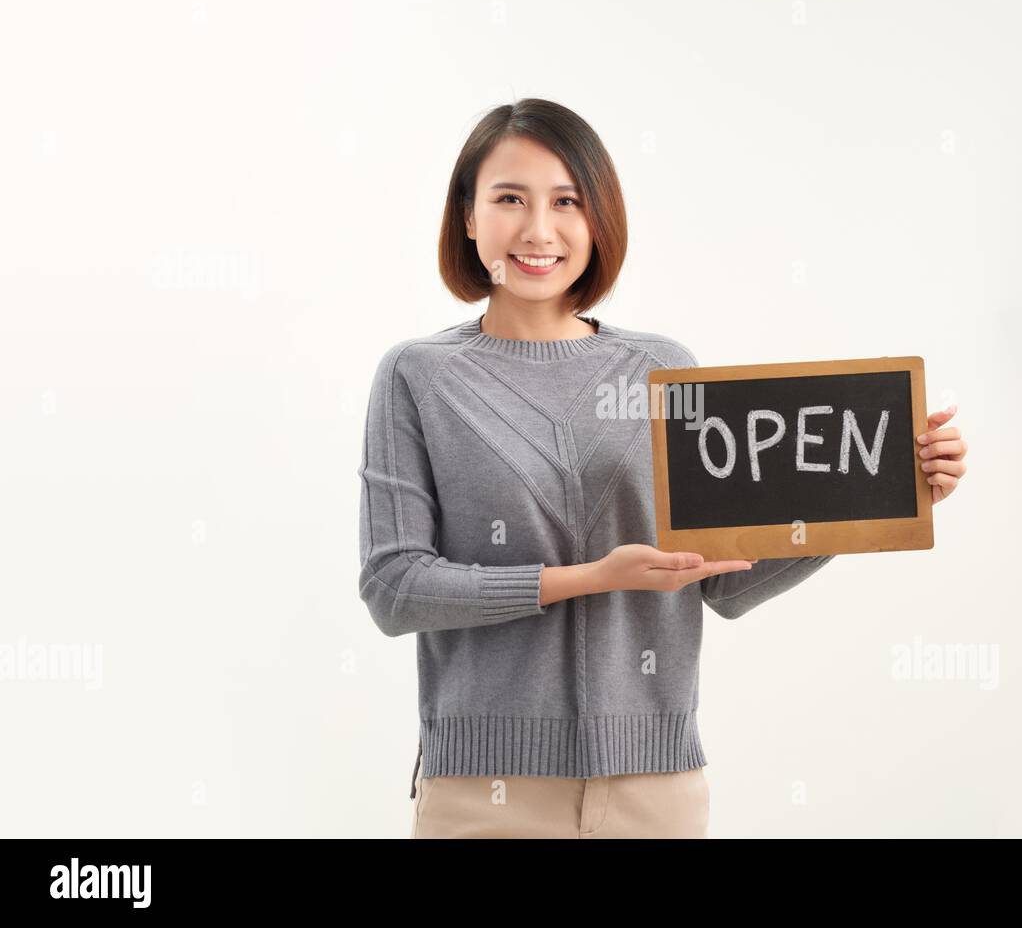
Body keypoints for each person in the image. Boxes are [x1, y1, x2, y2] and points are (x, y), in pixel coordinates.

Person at [357, 98, 969, 838]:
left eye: (567, 201)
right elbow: (396, 586)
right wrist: (588, 578)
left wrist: (882, 489)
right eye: (509, 199)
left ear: (598, 219)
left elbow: (727, 582)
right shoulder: (418, 376)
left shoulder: (663, 370)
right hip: (485, 790)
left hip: (655, 789)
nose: (538, 229)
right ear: (467, 216)